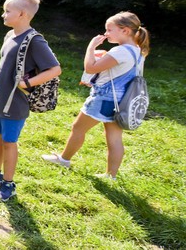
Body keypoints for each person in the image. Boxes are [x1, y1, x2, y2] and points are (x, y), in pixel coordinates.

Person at [0, 0, 61, 201]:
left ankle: (8, 183)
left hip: (16, 102)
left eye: (7, 11)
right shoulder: (10, 36)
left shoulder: (35, 41)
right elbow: (2, 68)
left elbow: (55, 69)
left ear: (22, 14)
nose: (3, 14)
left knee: (9, 142)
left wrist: (27, 84)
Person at [42, 12, 149, 179]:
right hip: (121, 101)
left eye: (109, 29)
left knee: (78, 128)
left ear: (125, 30)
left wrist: (91, 48)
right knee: (114, 137)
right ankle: (111, 175)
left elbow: (91, 68)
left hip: (104, 99)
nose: (106, 33)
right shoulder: (137, 51)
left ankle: (64, 160)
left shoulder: (120, 51)